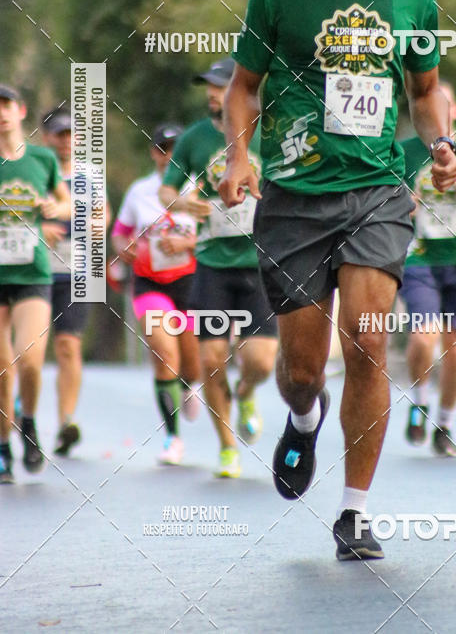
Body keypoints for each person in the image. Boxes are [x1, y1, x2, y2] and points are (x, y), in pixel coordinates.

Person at [218, 0, 456, 560]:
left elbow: (423, 95)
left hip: (378, 193)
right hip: (293, 199)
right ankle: (305, 415)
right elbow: (242, 87)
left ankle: (354, 511)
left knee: (366, 338)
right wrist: (240, 153)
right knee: (299, 367)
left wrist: (440, 143)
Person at [159, 57, 278, 479]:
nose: (212, 93)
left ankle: (246, 393)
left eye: (219, 85)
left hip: (260, 264)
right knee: (212, 358)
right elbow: (167, 188)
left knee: (261, 363)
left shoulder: (269, 129)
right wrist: (179, 201)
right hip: (211, 263)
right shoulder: (194, 138)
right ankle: (228, 447)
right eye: (208, 86)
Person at [400, 80, 456, 456]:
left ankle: (446, 424)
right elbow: (385, 205)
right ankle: (420, 399)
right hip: (418, 258)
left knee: (455, 351)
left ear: (453, 112)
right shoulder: (404, 152)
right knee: (423, 336)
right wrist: (410, 201)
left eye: (446, 105)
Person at [112, 124, 203, 466]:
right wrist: (125, 248)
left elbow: (218, 236)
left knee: (191, 360)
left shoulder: (199, 189)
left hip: (192, 282)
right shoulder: (139, 191)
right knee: (164, 352)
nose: (170, 156)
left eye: (176, 149)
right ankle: (172, 436)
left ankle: (191, 382)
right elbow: (119, 235)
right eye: (164, 149)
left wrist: (187, 243)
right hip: (151, 284)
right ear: (154, 153)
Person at [0, 84, 71, 483]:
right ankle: (2, 446)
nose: (1, 114)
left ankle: (27, 422)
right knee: (1, 368)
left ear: (21, 111)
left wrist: (53, 208)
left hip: (32, 272)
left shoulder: (42, 159)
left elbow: (65, 201)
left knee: (29, 361)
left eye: (6, 106)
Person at [39, 105, 111, 455]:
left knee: (68, 345)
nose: (66, 142)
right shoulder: (33, 170)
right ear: (45, 137)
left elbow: (102, 218)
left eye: (71, 135)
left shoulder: (88, 175)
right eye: (59, 135)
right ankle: (22, 415)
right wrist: (37, 230)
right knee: (28, 353)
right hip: (31, 271)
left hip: (76, 272)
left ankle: (66, 421)